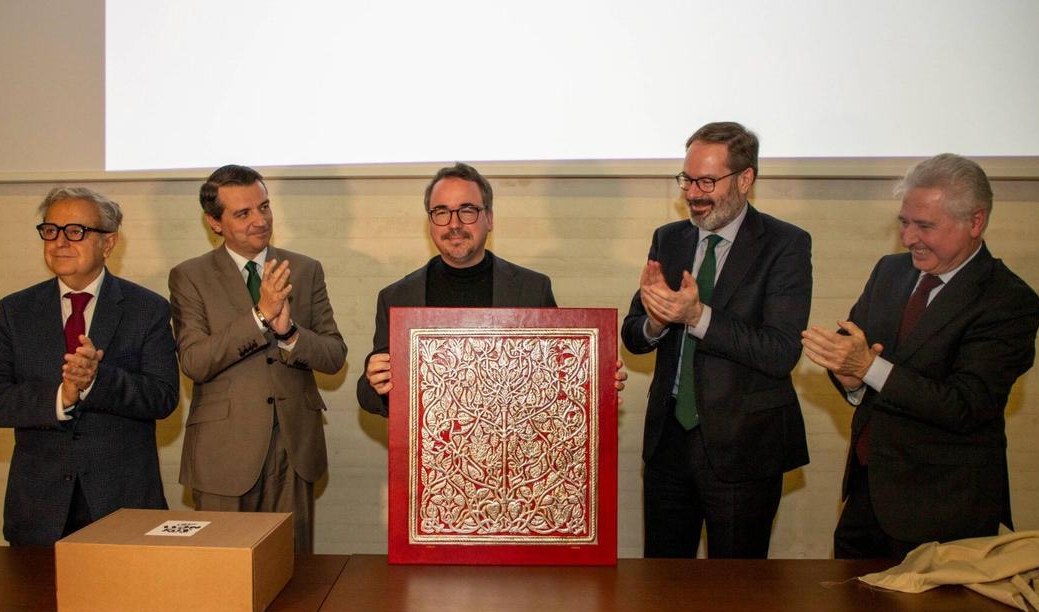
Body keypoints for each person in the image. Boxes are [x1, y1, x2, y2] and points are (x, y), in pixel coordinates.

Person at [802, 153, 1039, 559]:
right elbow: (858, 352)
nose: (909, 238)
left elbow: (965, 405)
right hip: (867, 496)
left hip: (944, 510)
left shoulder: (1008, 301)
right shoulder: (890, 272)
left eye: (924, 226)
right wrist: (851, 381)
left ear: (975, 222)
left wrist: (867, 368)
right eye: (904, 222)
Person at [622, 122, 812, 559]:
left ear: (745, 179)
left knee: (737, 596)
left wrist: (697, 316)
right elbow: (634, 334)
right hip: (669, 443)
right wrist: (655, 321)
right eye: (687, 180)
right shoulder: (669, 239)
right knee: (664, 588)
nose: (693, 193)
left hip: (743, 448)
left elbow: (780, 351)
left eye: (707, 181)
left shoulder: (785, 245)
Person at [0, 187, 179, 546]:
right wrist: (60, 396)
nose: (60, 242)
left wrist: (97, 381)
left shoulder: (146, 309)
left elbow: (163, 397)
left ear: (108, 243)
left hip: (122, 503)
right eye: (51, 230)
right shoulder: (16, 311)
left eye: (75, 231)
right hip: (39, 509)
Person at [169, 164, 346, 553]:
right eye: (243, 213)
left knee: (291, 571)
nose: (259, 220)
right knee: (222, 573)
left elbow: (334, 355)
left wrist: (289, 333)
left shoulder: (304, 268)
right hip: (223, 450)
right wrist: (259, 316)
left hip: (293, 447)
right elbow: (195, 361)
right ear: (214, 222)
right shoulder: (190, 276)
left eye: (264, 207)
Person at [357, 162, 623, 417]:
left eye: (467, 210)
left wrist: (596, 382)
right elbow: (369, 397)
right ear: (430, 223)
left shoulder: (532, 289)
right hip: (432, 456)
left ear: (490, 219)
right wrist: (377, 384)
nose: (454, 224)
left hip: (515, 452)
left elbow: (557, 377)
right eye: (441, 212)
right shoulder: (396, 297)